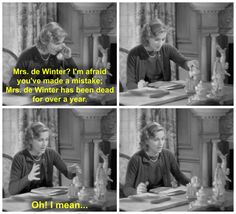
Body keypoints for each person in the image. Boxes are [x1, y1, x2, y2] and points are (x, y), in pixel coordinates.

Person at [9, 122, 81, 195]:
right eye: (40, 140)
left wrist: (72, 171)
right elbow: (12, 190)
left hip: (46, 199)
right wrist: (28, 178)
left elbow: (68, 174)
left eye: (46, 139)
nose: (44, 144)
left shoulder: (51, 153)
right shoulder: (19, 158)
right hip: (24, 202)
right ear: (30, 140)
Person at [126, 19, 199, 90]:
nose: (160, 44)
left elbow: (183, 62)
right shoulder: (134, 54)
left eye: (163, 39)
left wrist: (190, 63)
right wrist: (139, 87)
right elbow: (130, 84)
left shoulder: (167, 48)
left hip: (165, 92)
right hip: (145, 95)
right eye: (156, 40)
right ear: (147, 38)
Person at [123, 122, 190, 197]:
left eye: (162, 139)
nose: (161, 143)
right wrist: (136, 191)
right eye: (156, 139)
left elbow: (179, 176)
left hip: (164, 198)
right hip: (144, 200)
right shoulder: (136, 159)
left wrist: (193, 184)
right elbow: (127, 188)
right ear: (146, 141)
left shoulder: (168, 155)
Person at [9, 22, 77, 89]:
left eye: (62, 43)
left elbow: (74, 75)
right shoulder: (26, 55)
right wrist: (25, 88)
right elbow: (13, 83)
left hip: (53, 96)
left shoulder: (58, 53)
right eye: (57, 44)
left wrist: (69, 58)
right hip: (32, 97)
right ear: (45, 41)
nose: (61, 47)